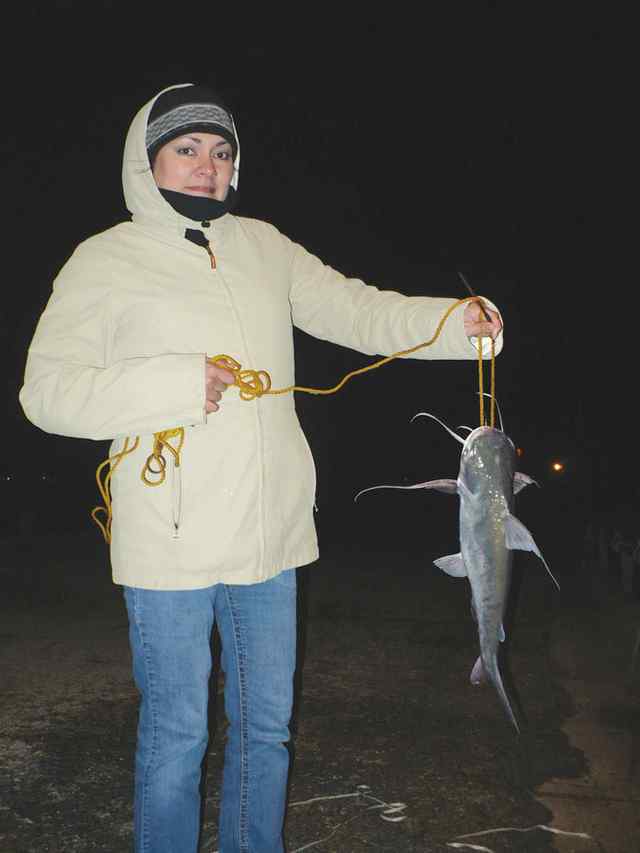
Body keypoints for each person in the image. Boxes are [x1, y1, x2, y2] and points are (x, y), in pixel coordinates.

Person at [19, 83, 503, 853]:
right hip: (168, 541)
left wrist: (455, 324)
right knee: (177, 733)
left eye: (221, 152)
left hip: (270, 535)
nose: (206, 166)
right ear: (146, 162)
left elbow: (356, 308)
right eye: (186, 149)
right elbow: (45, 393)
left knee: (266, 729)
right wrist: (175, 384)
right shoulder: (104, 259)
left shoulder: (264, 246)